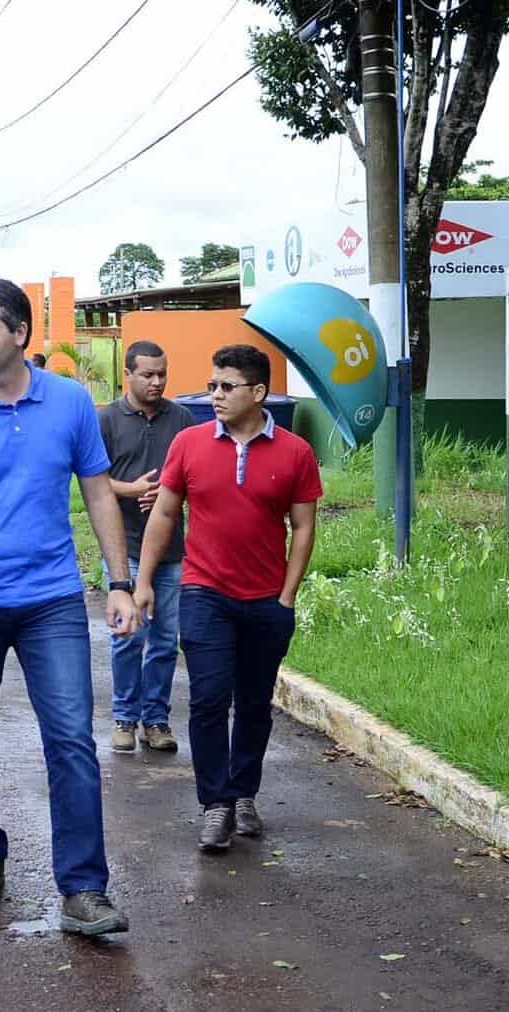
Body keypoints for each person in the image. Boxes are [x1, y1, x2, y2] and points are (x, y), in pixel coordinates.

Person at [0, 278, 138, 937]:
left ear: (19, 333)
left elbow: (98, 494)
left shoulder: (70, 402)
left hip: (51, 601)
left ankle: (84, 888)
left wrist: (118, 581)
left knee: (70, 738)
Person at [136, 345, 321, 853]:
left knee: (255, 704)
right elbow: (166, 513)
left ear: (258, 392)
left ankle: (244, 795)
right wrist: (143, 580)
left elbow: (304, 527)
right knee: (209, 699)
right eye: (211, 386)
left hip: (266, 600)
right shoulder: (189, 443)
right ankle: (216, 803)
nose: (214, 395)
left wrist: (287, 595)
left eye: (226, 386)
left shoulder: (295, 452)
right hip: (205, 592)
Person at [97, 339, 195, 753]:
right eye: (147, 375)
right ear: (128, 375)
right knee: (128, 636)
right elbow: (92, 482)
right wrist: (131, 489)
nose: (157, 382)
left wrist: (169, 495)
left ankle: (156, 719)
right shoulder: (106, 419)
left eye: (162, 374)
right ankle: (124, 715)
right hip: (124, 546)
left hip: (171, 550)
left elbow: (195, 475)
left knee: (165, 640)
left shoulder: (182, 418)